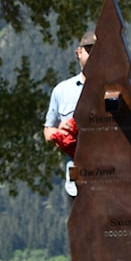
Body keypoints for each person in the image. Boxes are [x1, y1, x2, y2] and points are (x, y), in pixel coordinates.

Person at [43, 30, 95, 197]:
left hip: (114, 182)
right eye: (89, 50)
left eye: (99, 51)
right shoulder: (62, 91)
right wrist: (60, 133)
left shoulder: (119, 88)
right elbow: (48, 130)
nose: (94, 55)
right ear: (79, 52)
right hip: (76, 186)